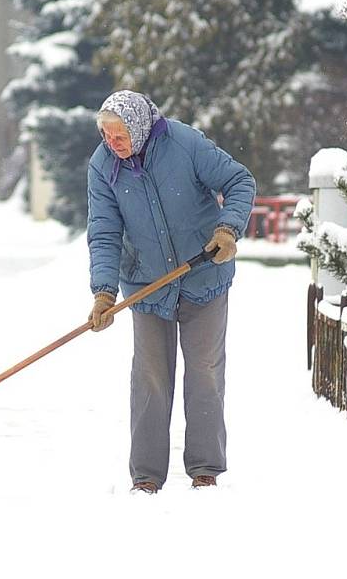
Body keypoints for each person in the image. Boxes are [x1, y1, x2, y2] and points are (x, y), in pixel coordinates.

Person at [86, 89, 255, 494]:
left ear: (140, 127)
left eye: (119, 134)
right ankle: (145, 476)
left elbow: (239, 180)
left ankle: (205, 468)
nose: (113, 143)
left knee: (205, 372)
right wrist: (104, 292)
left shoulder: (184, 143)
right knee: (149, 377)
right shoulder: (102, 165)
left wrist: (228, 229)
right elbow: (105, 232)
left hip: (203, 275)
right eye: (106, 135)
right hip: (146, 284)